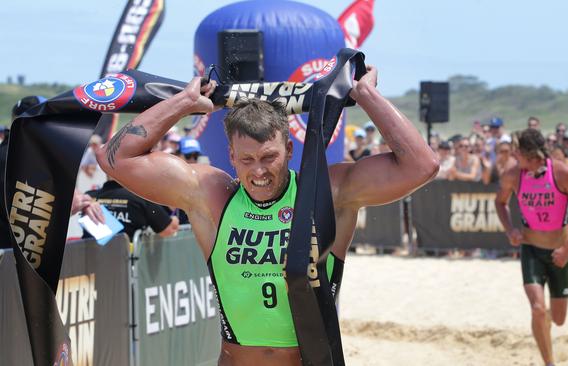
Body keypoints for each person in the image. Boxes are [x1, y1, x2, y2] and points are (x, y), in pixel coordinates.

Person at [95, 66, 438, 365]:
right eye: (247, 160)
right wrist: (183, 103)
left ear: (289, 149)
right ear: (230, 154)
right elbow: (115, 160)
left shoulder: (326, 195)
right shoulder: (214, 197)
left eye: (268, 157)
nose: (259, 171)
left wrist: (366, 95)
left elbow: (423, 166)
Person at [495, 128, 568, 366]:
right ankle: (549, 362)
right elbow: (500, 203)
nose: (514, 155)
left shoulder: (561, 173)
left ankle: (545, 328)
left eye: (517, 151)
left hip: (559, 253)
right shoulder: (513, 174)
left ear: (530, 153)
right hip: (531, 250)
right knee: (538, 308)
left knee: (558, 319)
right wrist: (510, 230)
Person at [1, 96, 104, 248]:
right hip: (17, 257)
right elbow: (24, 217)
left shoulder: (33, 154)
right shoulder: (22, 158)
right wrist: (65, 209)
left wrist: (83, 202)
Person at [82, 177, 179, 241]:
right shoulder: (141, 197)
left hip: (89, 267)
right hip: (126, 266)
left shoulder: (88, 198)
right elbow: (168, 229)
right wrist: (175, 219)